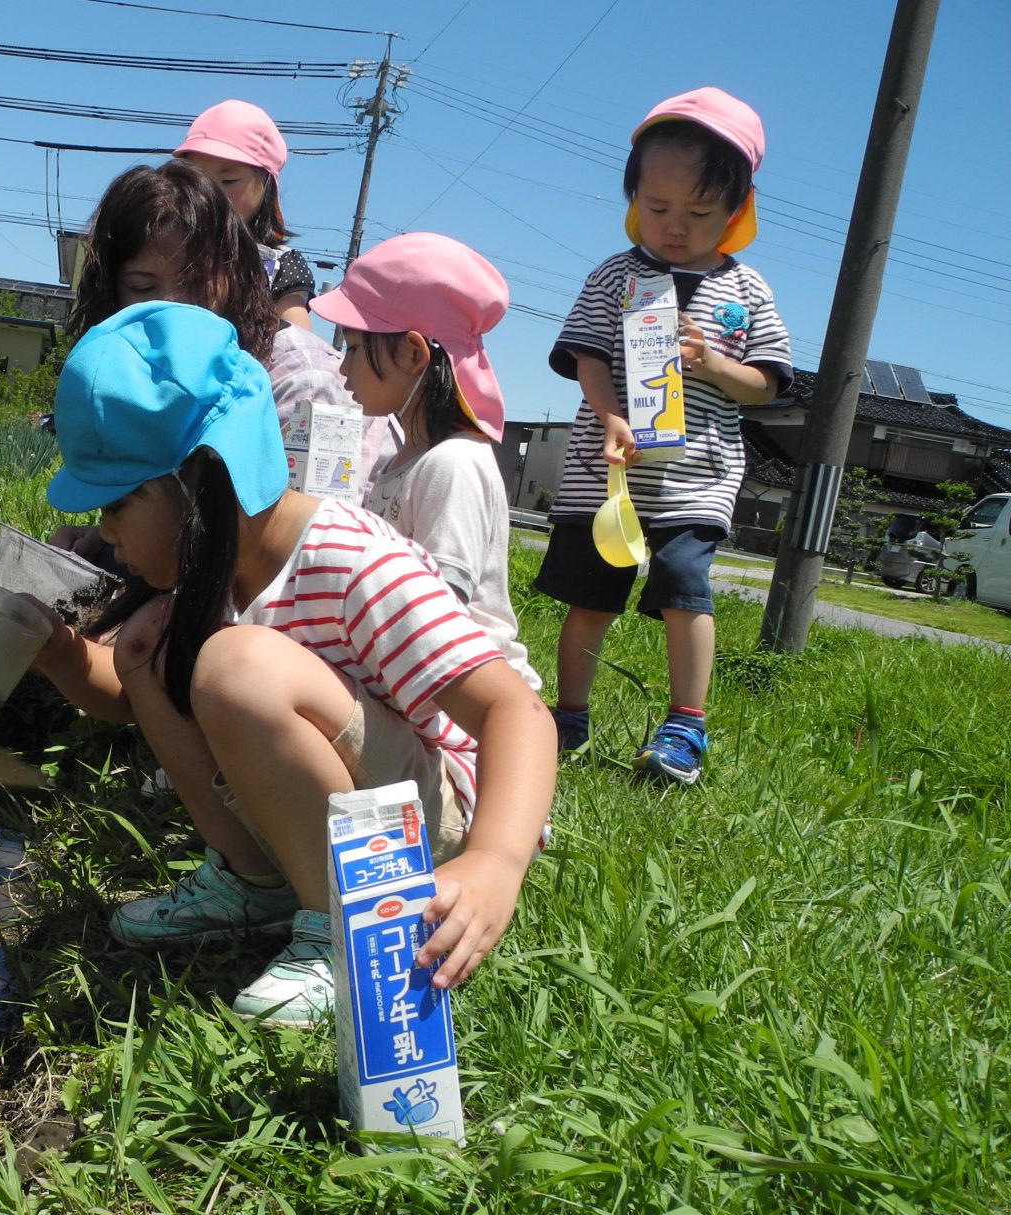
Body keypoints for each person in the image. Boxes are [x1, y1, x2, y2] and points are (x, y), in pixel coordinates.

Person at [33, 303, 555, 1024]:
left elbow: (516, 712)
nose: (105, 532)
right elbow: (130, 695)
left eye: (117, 506)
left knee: (235, 665)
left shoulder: (351, 563)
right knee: (146, 647)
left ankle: (345, 932)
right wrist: (62, 656)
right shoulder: (211, 569)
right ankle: (256, 885)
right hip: (355, 803)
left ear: (200, 486)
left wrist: (496, 862)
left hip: (439, 819)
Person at [532, 88, 791, 784]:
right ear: (633, 197)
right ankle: (569, 717)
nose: (674, 227)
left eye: (699, 213)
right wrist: (612, 413)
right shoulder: (615, 275)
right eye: (657, 208)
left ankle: (685, 726)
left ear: (736, 210)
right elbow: (585, 355)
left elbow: (767, 383)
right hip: (606, 475)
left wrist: (713, 361)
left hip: (694, 477)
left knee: (685, 586)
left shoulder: (747, 292)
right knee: (590, 597)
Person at [66, 161, 395, 511]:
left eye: (197, 285)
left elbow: (305, 547)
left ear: (233, 277)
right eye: (144, 288)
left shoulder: (302, 381)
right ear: (112, 295)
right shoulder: (136, 377)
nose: (173, 311)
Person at [311, 232, 540, 692]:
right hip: (407, 680)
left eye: (354, 348)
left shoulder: (453, 463)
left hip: (461, 706)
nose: (342, 367)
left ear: (414, 353)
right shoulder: (410, 458)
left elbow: (436, 617)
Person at [174, 100, 315, 327]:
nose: (210, 193)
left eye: (228, 180)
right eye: (197, 178)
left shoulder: (278, 264)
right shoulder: (166, 244)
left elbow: (300, 349)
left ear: (266, 183)